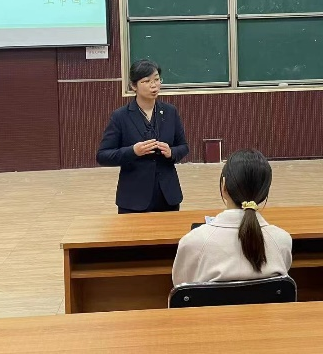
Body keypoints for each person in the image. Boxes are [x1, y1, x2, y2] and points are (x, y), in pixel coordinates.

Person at [172, 150, 292, 286]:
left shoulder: (192, 242)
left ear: (224, 186)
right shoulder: (283, 240)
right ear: (264, 192)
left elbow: (181, 287)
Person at [96, 60, 189, 214]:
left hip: (167, 196)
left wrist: (171, 152)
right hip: (133, 198)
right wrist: (133, 151)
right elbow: (103, 155)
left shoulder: (170, 112)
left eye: (157, 79)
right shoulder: (121, 116)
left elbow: (183, 146)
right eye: (146, 81)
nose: (154, 85)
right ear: (134, 86)